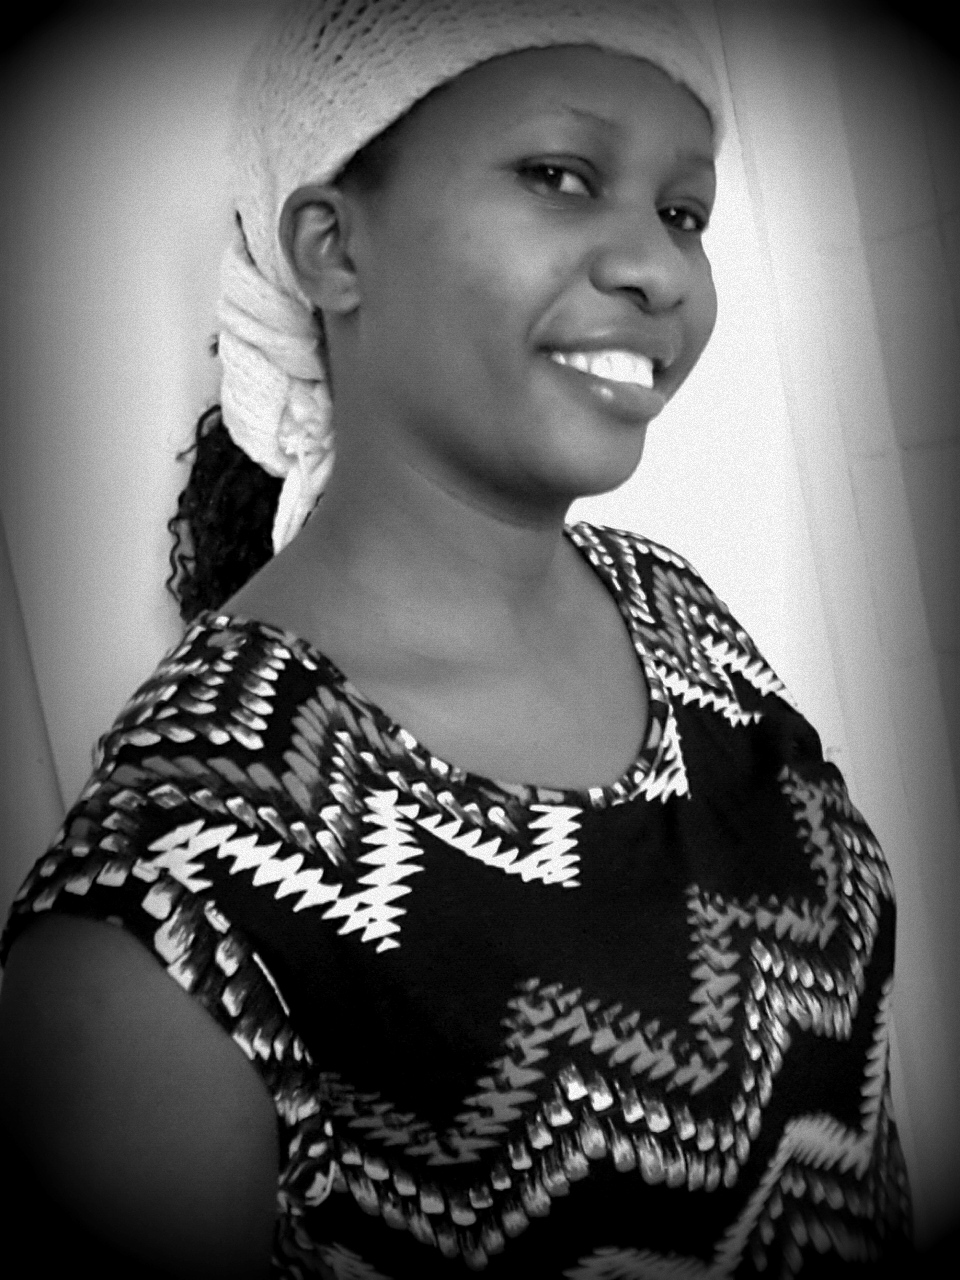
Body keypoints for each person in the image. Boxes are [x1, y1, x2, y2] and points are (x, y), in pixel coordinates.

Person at [0, 1, 913, 1276]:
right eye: (559, 175)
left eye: (682, 210)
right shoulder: (178, 885)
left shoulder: (671, 607)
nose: (659, 269)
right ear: (333, 248)